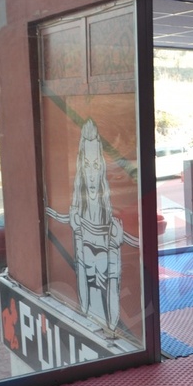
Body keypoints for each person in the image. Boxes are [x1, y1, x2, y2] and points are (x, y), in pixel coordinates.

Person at [46, 118, 138, 333]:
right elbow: (83, 292)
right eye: (87, 165)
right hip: (91, 320)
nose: (91, 173)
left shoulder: (110, 222)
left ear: (101, 168)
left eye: (96, 165)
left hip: (109, 324)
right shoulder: (78, 218)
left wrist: (114, 244)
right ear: (81, 168)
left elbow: (113, 291)